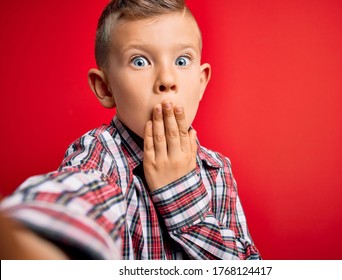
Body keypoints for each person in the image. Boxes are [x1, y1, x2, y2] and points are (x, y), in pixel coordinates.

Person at [0, 0, 260, 260]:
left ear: (201, 82)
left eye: (182, 60)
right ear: (105, 87)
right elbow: (79, 194)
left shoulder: (218, 171)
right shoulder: (101, 155)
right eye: (139, 61)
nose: (167, 80)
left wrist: (181, 195)